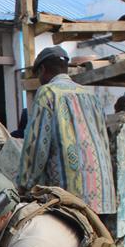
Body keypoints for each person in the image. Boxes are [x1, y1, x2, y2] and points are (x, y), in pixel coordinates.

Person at [19, 46, 117, 225]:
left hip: (71, 195)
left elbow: (37, 146)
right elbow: (105, 139)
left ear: (42, 69)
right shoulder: (90, 95)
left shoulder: (48, 93)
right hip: (103, 195)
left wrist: (24, 184)